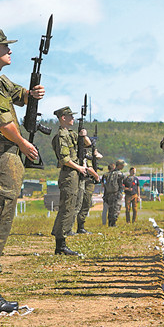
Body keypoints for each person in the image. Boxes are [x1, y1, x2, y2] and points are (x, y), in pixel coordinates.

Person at [0, 28, 45, 261]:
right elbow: (4, 124)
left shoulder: (2, 81)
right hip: (4, 151)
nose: (9, 50)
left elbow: (20, 94)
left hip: (8, 151)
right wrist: (23, 144)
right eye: (5, 46)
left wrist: (32, 93)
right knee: (4, 207)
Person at [50, 107, 83, 255]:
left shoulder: (71, 134)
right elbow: (64, 159)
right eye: (70, 116)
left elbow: (87, 144)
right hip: (69, 174)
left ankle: (61, 241)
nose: (73, 119)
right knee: (67, 207)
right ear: (63, 118)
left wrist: (84, 135)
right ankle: (60, 245)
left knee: (71, 206)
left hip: (73, 173)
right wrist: (79, 168)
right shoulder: (61, 136)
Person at [75, 126, 100, 234]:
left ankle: (80, 226)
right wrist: (96, 176)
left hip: (86, 180)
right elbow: (89, 168)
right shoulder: (83, 154)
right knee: (85, 203)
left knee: (84, 204)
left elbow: (99, 156)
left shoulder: (86, 153)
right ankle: (80, 227)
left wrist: (95, 154)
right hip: (87, 180)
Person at [103, 160, 125, 226]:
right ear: (119, 165)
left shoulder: (109, 174)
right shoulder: (119, 174)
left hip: (109, 193)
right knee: (116, 208)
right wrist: (121, 193)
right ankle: (113, 223)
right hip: (116, 193)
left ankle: (110, 223)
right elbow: (120, 185)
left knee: (110, 209)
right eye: (122, 165)